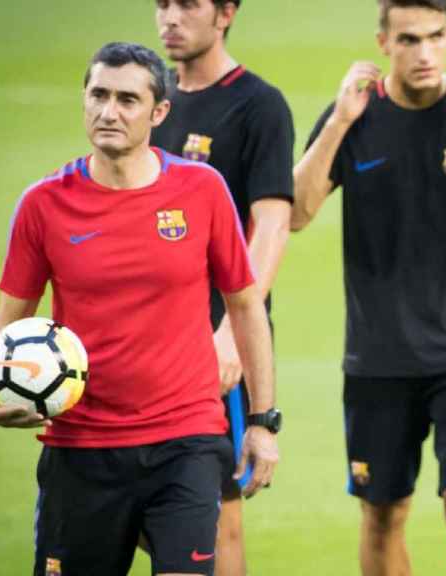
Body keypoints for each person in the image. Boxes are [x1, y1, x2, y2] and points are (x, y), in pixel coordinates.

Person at [0, 42, 278, 576]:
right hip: (81, 446)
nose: (109, 111)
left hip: (186, 440)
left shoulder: (202, 190)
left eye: (127, 100)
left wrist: (264, 421)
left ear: (159, 113)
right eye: (99, 95)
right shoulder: (43, 204)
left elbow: (246, 305)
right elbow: (9, 317)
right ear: (84, 100)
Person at [293, 1, 446, 573]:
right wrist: (336, 122)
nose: (425, 52)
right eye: (408, 39)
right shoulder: (353, 116)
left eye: (435, 37)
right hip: (376, 359)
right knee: (382, 516)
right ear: (383, 42)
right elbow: (299, 210)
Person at [150, 2, 293, 573]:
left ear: (227, 12)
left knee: (216, 511)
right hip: (148, 340)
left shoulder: (257, 105)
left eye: (189, 4)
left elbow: (272, 224)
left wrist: (235, 331)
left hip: (215, 343)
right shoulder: (148, 102)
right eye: (162, 3)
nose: (171, 17)